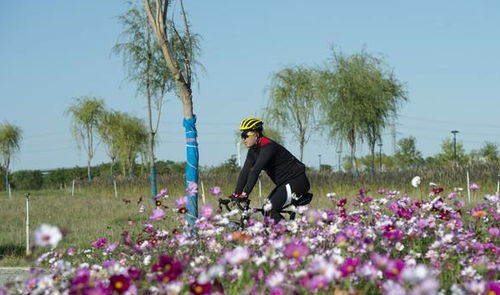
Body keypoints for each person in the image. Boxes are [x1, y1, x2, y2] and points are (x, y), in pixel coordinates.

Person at [231, 117, 312, 223]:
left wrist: (245, 194)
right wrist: (236, 193)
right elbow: (245, 172)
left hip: (296, 181)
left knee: (270, 210)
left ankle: (287, 235)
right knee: (266, 210)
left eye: (246, 135)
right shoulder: (253, 151)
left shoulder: (268, 146)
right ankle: (283, 233)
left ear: (256, 134)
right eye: (242, 135)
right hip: (284, 183)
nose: (243, 139)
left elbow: (255, 171)